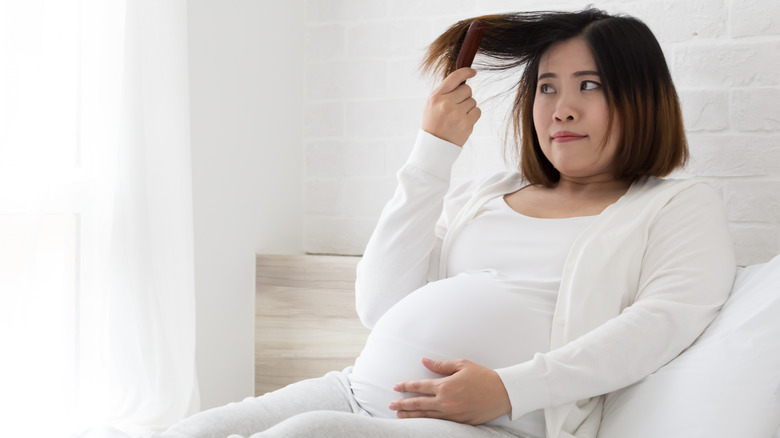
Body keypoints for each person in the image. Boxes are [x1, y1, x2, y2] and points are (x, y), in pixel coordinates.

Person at [161, 9, 735, 438]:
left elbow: (660, 325)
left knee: (305, 436)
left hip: (493, 426)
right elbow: (378, 303)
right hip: (354, 391)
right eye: (546, 87)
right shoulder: (492, 192)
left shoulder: (675, 206)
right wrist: (433, 152)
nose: (561, 107)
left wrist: (510, 390)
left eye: (590, 86)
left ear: (642, 98)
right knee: (185, 433)